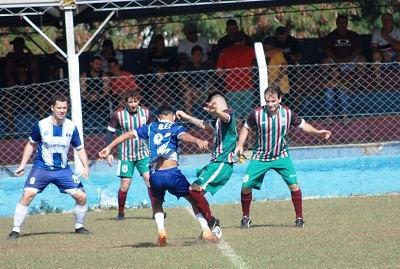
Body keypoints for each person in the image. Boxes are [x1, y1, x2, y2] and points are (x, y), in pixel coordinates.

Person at [99, 104, 220, 246]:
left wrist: (108, 148)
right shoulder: (176, 128)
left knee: (157, 202)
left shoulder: (150, 127)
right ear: (173, 117)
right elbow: (184, 136)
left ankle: (161, 230)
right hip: (172, 174)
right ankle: (206, 230)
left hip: (155, 175)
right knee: (192, 199)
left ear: (158, 118)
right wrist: (197, 140)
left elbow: (127, 134)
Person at [235, 86, 331, 229]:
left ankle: (299, 218)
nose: (270, 104)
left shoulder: (287, 113)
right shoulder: (257, 113)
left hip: (281, 156)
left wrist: (318, 132)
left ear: (280, 99)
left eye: (273, 100)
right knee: (246, 187)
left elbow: (303, 125)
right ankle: (246, 217)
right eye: (267, 101)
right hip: (260, 157)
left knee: (293, 185)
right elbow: (245, 127)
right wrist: (240, 144)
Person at [8, 95, 92, 239]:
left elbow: (79, 148)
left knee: (82, 196)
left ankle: (79, 226)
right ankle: (15, 230)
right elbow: (31, 144)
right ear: (52, 108)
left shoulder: (71, 126)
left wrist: (86, 167)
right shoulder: (41, 125)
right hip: (42, 169)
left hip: (63, 170)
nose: (62, 111)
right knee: (27, 195)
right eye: (59, 108)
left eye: (65, 108)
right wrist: (22, 165)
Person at [176, 91, 237, 234]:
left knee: (194, 190)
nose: (211, 110)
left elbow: (226, 117)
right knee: (194, 193)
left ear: (216, 104)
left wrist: (217, 112)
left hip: (222, 163)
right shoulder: (218, 122)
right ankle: (209, 227)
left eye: (212, 106)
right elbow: (204, 125)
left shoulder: (228, 114)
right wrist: (186, 116)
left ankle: (211, 222)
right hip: (215, 163)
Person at [104, 90, 154, 220]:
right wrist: (108, 151)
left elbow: (151, 131)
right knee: (125, 184)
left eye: (136, 101)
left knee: (150, 181)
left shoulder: (146, 113)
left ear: (139, 101)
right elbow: (110, 133)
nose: (133, 104)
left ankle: (156, 212)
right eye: (130, 102)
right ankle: (121, 213)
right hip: (126, 155)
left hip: (143, 154)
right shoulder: (118, 115)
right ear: (125, 102)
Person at [216, 31, 256, 119]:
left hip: (231, 87)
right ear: (244, 40)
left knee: (235, 116)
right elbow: (257, 62)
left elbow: (218, 70)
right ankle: (248, 133)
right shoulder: (249, 50)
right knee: (248, 116)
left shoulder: (225, 52)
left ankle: (238, 132)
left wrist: (226, 78)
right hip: (247, 85)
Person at [322, 15, 366, 89]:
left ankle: (360, 84)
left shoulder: (353, 35)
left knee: (362, 60)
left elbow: (358, 49)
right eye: (340, 23)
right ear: (336, 24)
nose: (342, 25)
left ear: (347, 23)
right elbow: (327, 50)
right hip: (336, 63)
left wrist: (349, 59)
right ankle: (325, 85)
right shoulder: (331, 36)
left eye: (344, 22)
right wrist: (337, 60)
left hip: (351, 61)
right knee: (325, 61)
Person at [264, 26, 302, 109]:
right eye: (280, 38)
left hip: (287, 74)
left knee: (293, 92)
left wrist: (277, 80)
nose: (282, 40)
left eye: (284, 38)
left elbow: (286, 66)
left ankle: (298, 108)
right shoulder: (274, 46)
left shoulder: (291, 41)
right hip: (276, 80)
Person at [180, 45, 215, 117]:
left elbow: (211, 81)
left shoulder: (206, 66)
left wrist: (207, 88)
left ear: (202, 55)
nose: (198, 56)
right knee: (187, 93)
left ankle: (215, 117)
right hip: (192, 92)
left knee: (214, 90)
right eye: (196, 54)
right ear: (192, 55)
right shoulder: (187, 66)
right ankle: (189, 118)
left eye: (200, 54)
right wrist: (192, 89)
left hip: (204, 91)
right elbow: (182, 82)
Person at [371, 12, 400, 84]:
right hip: (383, 57)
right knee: (376, 55)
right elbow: (373, 49)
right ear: (381, 21)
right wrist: (383, 53)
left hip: (396, 57)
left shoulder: (398, 31)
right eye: (384, 20)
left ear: (392, 21)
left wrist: (388, 39)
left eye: (388, 20)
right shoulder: (377, 32)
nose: (386, 22)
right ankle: (379, 83)